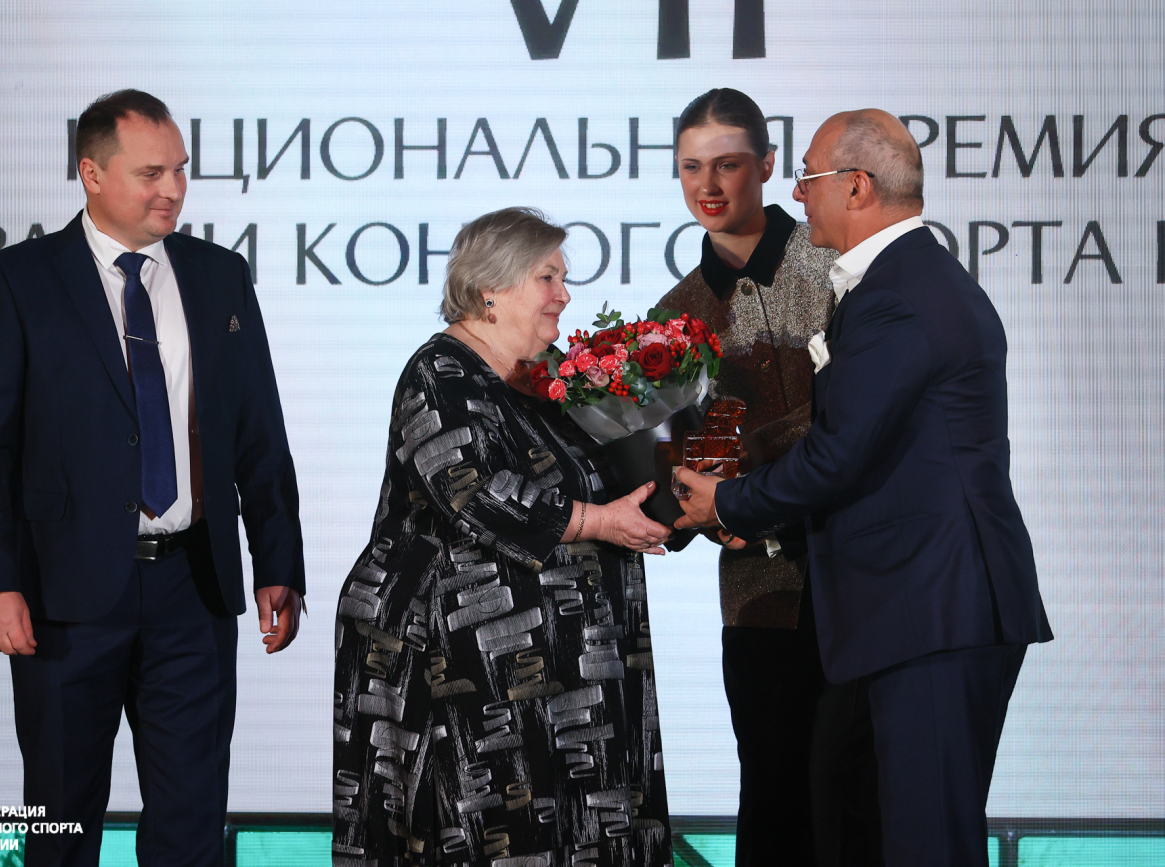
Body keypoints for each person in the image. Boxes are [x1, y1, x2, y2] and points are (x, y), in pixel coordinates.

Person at [673, 109, 1053, 867]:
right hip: (922, 604)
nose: (796, 193)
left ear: (856, 186)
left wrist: (728, 501)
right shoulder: (907, 279)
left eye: (806, 177)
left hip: (933, 605)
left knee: (926, 841)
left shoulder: (896, 294)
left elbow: (838, 454)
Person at [0, 89, 306, 867]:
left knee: (191, 821)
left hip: (194, 589)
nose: (172, 188)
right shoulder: (16, 281)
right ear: (91, 173)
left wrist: (278, 560)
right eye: (151, 173)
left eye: (180, 169)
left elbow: (259, 432)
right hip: (62, 594)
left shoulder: (219, 275)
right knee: (61, 819)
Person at [332, 207, 673, 865]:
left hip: (576, 668)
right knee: (491, 827)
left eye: (563, 278)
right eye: (548, 277)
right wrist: (601, 522)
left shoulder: (550, 377)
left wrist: (701, 507)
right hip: (468, 666)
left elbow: (621, 476)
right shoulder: (440, 372)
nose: (564, 294)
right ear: (491, 287)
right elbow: (475, 492)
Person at [656, 88, 881, 866]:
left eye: (728, 164)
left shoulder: (838, 267)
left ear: (768, 166)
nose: (708, 185)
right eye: (691, 167)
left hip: (864, 578)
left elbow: (869, 420)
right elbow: (673, 461)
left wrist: (745, 472)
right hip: (760, 596)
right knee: (775, 798)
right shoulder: (673, 315)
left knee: (865, 800)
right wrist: (677, 504)